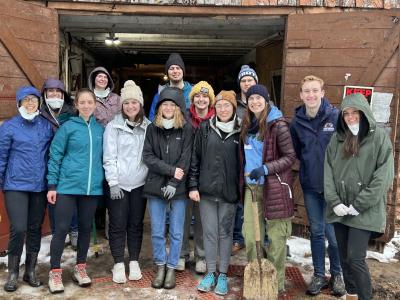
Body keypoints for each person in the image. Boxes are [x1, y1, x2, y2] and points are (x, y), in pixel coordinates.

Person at [324, 93, 394, 300]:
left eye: (355, 113)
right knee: (343, 258)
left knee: (355, 258)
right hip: (340, 209)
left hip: (364, 211)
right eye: (346, 114)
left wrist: (359, 205)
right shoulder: (337, 139)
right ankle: (352, 294)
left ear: (364, 114)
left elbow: (384, 177)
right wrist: (335, 202)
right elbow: (327, 171)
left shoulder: (379, 139)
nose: (351, 117)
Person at [289, 75, 345, 296]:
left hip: (333, 188)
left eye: (315, 90)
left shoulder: (336, 117)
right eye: (306, 91)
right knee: (317, 232)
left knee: (333, 234)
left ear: (323, 92)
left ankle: (338, 275)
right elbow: (296, 152)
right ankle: (320, 275)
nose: (311, 95)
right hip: (311, 185)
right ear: (301, 95)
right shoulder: (297, 123)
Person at [47, 88, 104, 293]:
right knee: (61, 229)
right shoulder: (68, 127)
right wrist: (52, 185)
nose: (87, 105)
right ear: (77, 105)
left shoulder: (100, 130)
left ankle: (80, 268)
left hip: (91, 188)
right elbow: (55, 156)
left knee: (85, 229)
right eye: (83, 102)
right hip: (67, 187)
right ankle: (55, 272)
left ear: (95, 105)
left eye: (90, 102)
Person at [240, 84, 295, 294]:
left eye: (258, 98)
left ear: (266, 100)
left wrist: (265, 169)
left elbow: (290, 157)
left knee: (276, 239)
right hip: (251, 188)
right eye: (251, 98)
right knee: (251, 236)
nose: (254, 102)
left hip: (274, 188)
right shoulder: (247, 124)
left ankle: (276, 283)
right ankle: (258, 278)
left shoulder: (278, 125)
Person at [0, 86, 53, 292]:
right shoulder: (9, 126)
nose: (31, 104)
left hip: (38, 185)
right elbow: (2, 155)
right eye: (26, 100)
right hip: (15, 184)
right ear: (19, 103)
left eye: (34, 100)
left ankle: (30, 270)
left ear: (39, 103)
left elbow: (51, 154)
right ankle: (13, 271)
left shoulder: (45, 126)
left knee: (34, 228)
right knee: (18, 227)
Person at [189, 90, 241, 296]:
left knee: (225, 234)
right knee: (209, 233)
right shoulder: (204, 128)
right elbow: (195, 158)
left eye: (227, 105)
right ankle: (210, 272)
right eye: (219, 106)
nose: (223, 109)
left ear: (233, 108)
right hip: (207, 192)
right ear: (214, 108)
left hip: (229, 193)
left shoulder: (241, 130)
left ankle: (222, 275)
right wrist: (193, 186)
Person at [143, 87, 193, 289]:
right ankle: (160, 265)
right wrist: (171, 171)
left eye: (172, 104)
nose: (168, 107)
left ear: (178, 108)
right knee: (156, 230)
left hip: (178, 189)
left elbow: (186, 158)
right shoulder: (152, 129)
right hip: (155, 186)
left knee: (176, 231)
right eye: (165, 104)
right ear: (159, 107)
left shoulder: (186, 129)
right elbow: (148, 157)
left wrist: (174, 182)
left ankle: (172, 266)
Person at [103, 80, 150, 283]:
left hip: (139, 184)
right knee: (117, 224)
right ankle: (118, 263)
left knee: (135, 224)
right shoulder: (113, 127)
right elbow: (109, 156)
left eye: (134, 102)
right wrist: (113, 182)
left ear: (140, 104)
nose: (130, 106)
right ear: (121, 105)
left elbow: (150, 156)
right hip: (119, 185)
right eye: (126, 103)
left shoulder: (149, 127)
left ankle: (133, 261)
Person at [178, 81, 215, 273]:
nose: (201, 99)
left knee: (203, 219)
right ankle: (182, 254)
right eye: (197, 96)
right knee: (183, 218)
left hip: (206, 177)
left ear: (210, 100)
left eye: (205, 96)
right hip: (184, 175)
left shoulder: (216, 119)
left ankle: (201, 255)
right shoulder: (184, 118)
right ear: (192, 99)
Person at [40, 78, 78, 249]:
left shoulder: (72, 114)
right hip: (48, 163)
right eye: (51, 91)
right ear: (45, 94)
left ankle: (75, 231)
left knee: (73, 200)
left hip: (70, 163)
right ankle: (57, 234)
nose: (54, 94)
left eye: (58, 91)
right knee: (54, 200)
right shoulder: (40, 115)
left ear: (63, 94)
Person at [88, 66, 120, 234]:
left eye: (105, 77)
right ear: (93, 79)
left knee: (110, 186)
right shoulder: (88, 97)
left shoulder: (117, 98)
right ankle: (96, 218)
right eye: (99, 77)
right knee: (96, 184)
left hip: (115, 146)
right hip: (95, 145)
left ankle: (110, 226)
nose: (102, 79)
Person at [232, 64, 258, 256]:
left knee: (258, 201)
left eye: (250, 80)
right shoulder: (235, 105)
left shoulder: (264, 103)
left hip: (256, 160)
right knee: (239, 201)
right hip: (237, 157)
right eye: (244, 80)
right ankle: (237, 238)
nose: (247, 83)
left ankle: (260, 239)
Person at [148, 53, 192, 120]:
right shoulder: (160, 93)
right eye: (171, 68)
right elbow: (152, 118)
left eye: (178, 68)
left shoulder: (193, 92)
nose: (175, 71)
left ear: (183, 71)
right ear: (167, 72)